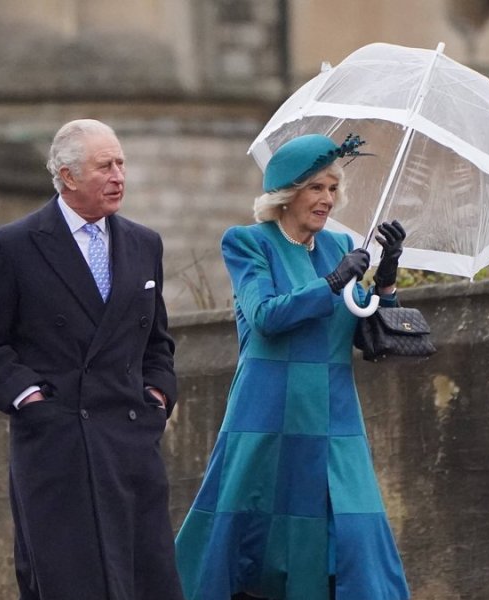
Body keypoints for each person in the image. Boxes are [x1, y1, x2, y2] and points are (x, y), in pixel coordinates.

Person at [175, 134, 410, 600]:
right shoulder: (248, 243)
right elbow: (266, 316)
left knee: (357, 540)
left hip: (335, 418)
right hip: (268, 416)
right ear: (287, 193)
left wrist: (385, 280)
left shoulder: (339, 245)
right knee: (255, 544)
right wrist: (334, 281)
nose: (327, 199)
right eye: (316, 188)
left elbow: (367, 334)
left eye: (331, 188)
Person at [0, 119, 183, 600]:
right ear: (67, 177)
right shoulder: (13, 245)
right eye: (105, 166)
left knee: (146, 580)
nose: (119, 176)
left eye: (121, 163)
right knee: (70, 582)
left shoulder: (145, 243)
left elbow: (157, 342)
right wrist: (31, 399)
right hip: (57, 445)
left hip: (129, 444)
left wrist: (158, 394)